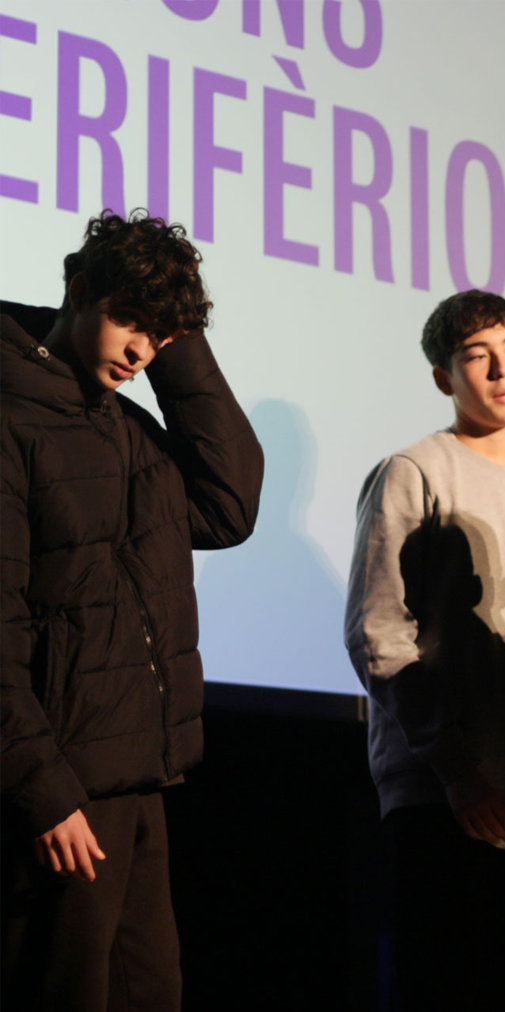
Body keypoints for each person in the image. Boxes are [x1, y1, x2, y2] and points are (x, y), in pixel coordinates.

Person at [1, 209, 264, 1010]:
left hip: (138, 779)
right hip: (58, 789)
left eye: (160, 335)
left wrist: (181, 345)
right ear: (80, 291)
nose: (140, 350)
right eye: (131, 321)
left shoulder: (130, 428)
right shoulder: (12, 420)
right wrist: (42, 790)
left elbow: (228, 506)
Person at [343, 290, 505, 1011]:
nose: (501, 369)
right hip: (440, 795)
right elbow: (377, 631)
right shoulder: (413, 471)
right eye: (477, 356)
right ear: (443, 377)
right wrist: (455, 769)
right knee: (442, 985)